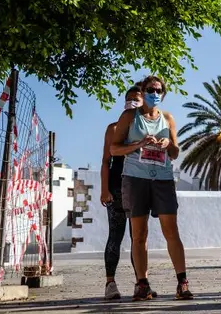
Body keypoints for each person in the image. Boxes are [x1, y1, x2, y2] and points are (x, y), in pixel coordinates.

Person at [111, 75, 194, 301]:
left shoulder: (167, 118)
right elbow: (113, 149)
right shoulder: (129, 117)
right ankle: (142, 284)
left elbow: (176, 152)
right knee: (139, 234)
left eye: (159, 90)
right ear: (143, 91)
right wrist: (139, 144)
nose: (155, 94)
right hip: (135, 178)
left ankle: (182, 283)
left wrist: (168, 145)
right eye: (150, 89)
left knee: (171, 231)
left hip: (163, 179)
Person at [100, 84, 152, 300]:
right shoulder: (113, 128)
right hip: (117, 188)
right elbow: (106, 161)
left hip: (140, 187)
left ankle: (141, 283)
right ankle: (110, 283)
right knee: (116, 235)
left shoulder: (149, 128)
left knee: (139, 238)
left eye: (137, 99)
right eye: (129, 98)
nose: (133, 102)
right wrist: (104, 189)